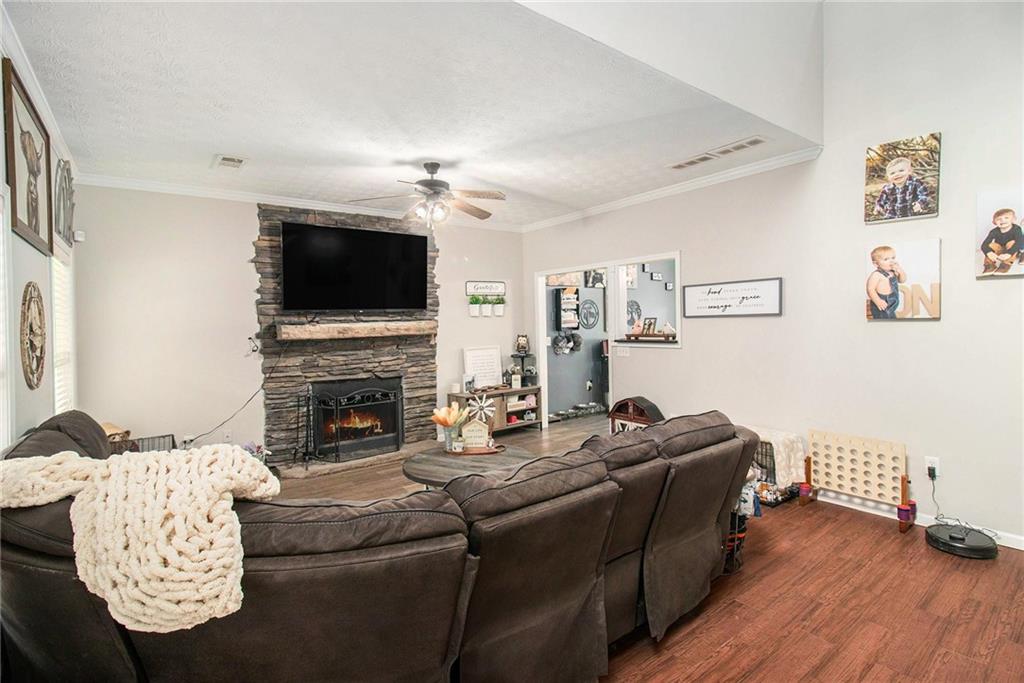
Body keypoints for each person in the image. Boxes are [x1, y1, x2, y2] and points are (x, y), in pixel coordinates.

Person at [866, 246, 906, 319]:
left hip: (891, 305)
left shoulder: (893, 272)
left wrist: (901, 271)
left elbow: (902, 280)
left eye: (893, 258)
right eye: (886, 259)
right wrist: (878, 301)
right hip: (881, 305)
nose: (891, 261)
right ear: (876, 264)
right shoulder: (876, 275)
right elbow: (870, 289)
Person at [979, 208, 1023, 275]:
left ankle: (1006, 264)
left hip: (1011, 250)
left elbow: (1019, 242)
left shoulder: (1016, 229)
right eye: (999, 219)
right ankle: (990, 265)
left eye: (1006, 218)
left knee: (1012, 242)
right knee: (991, 245)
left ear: (1013, 220)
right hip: (1000, 250)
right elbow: (984, 244)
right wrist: (989, 252)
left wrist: (1009, 253)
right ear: (994, 222)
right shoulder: (994, 231)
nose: (1003, 220)